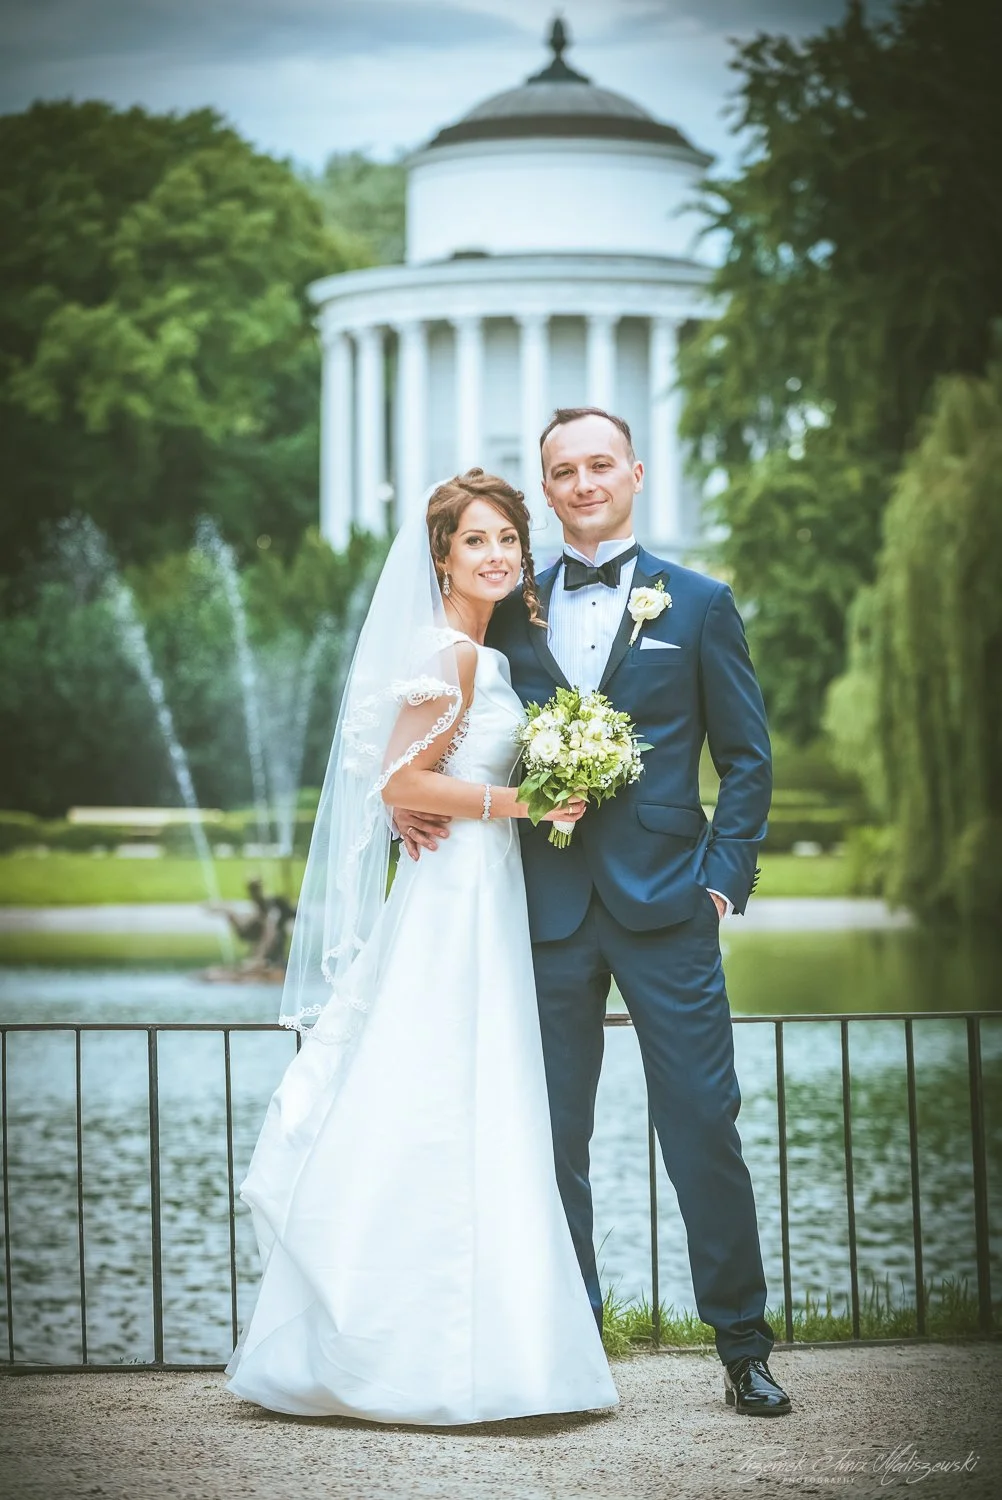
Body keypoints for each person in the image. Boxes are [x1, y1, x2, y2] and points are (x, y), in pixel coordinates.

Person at [398, 408, 792, 1418]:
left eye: (598, 466)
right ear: (548, 488)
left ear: (634, 473)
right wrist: (411, 807)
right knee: (551, 1135)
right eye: (562, 472)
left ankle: (743, 1344)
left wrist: (720, 881)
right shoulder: (507, 606)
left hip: (671, 906)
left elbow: (746, 760)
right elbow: (433, 731)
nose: (581, 484)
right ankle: (573, 1337)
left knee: (704, 1122)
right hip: (541, 906)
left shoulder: (699, 603)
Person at [224, 469, 619, 1424]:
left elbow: (400, 772)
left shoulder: (484, 654)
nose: (494, 555)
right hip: (456, 898)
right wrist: (518, 801)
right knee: (444, 1087)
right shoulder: (459, 657)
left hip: (478, 888)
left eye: (506, 541)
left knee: (472, 1095)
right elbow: (400, 781)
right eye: (474, 540)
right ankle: (415, 1348)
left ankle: (481, 1347)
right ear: (440, 555)